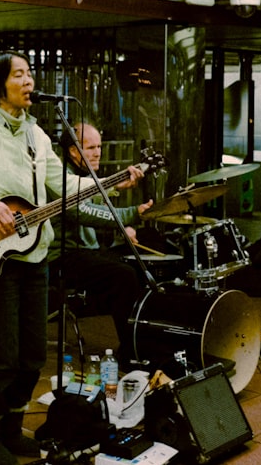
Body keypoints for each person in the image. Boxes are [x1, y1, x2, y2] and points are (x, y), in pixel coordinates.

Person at [0, 51, 142, 465]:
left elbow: (63, 186)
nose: (30, 81)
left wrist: (114, 184)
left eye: (31, 74)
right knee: (2, 355)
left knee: (32, 356)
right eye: (20, 74)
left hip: (35, 256)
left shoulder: (36, 134)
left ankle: (11, 429)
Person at [48, 122, 153, 364]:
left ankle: (143, 340)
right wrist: (130, 214)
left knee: (139, 263)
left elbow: (92, 200)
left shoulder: (83, 175)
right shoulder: (60, 175)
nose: (98, 152)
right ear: (74, 151)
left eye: (99, 147)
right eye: (91, 147)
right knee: (123, 275)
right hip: (62, 256)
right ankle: (130, 352)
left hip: (84, 251)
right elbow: (80, 211)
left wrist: (122, 216)